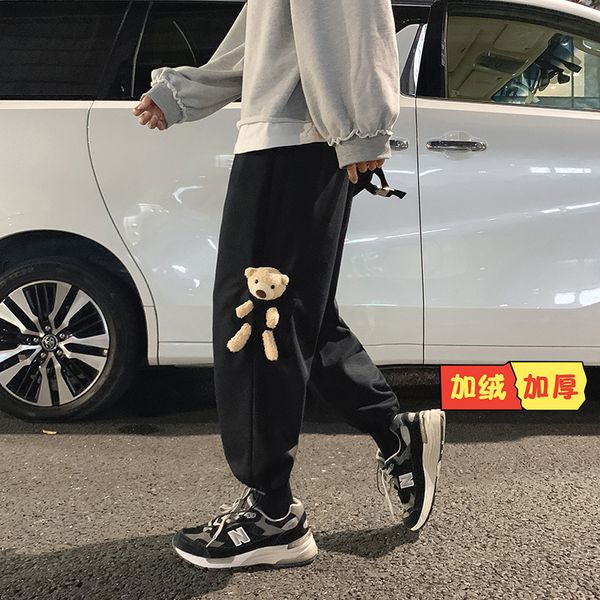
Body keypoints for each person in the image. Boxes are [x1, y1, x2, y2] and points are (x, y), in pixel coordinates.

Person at [132, 0, 446, 570]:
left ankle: (273, 516)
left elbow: (362, 20)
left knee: (258, 321)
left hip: (297, 140)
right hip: (290, 136)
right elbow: (265, 34)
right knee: (295, 315)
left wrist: (363, 128)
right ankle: (393, 430)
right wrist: (185, 92)